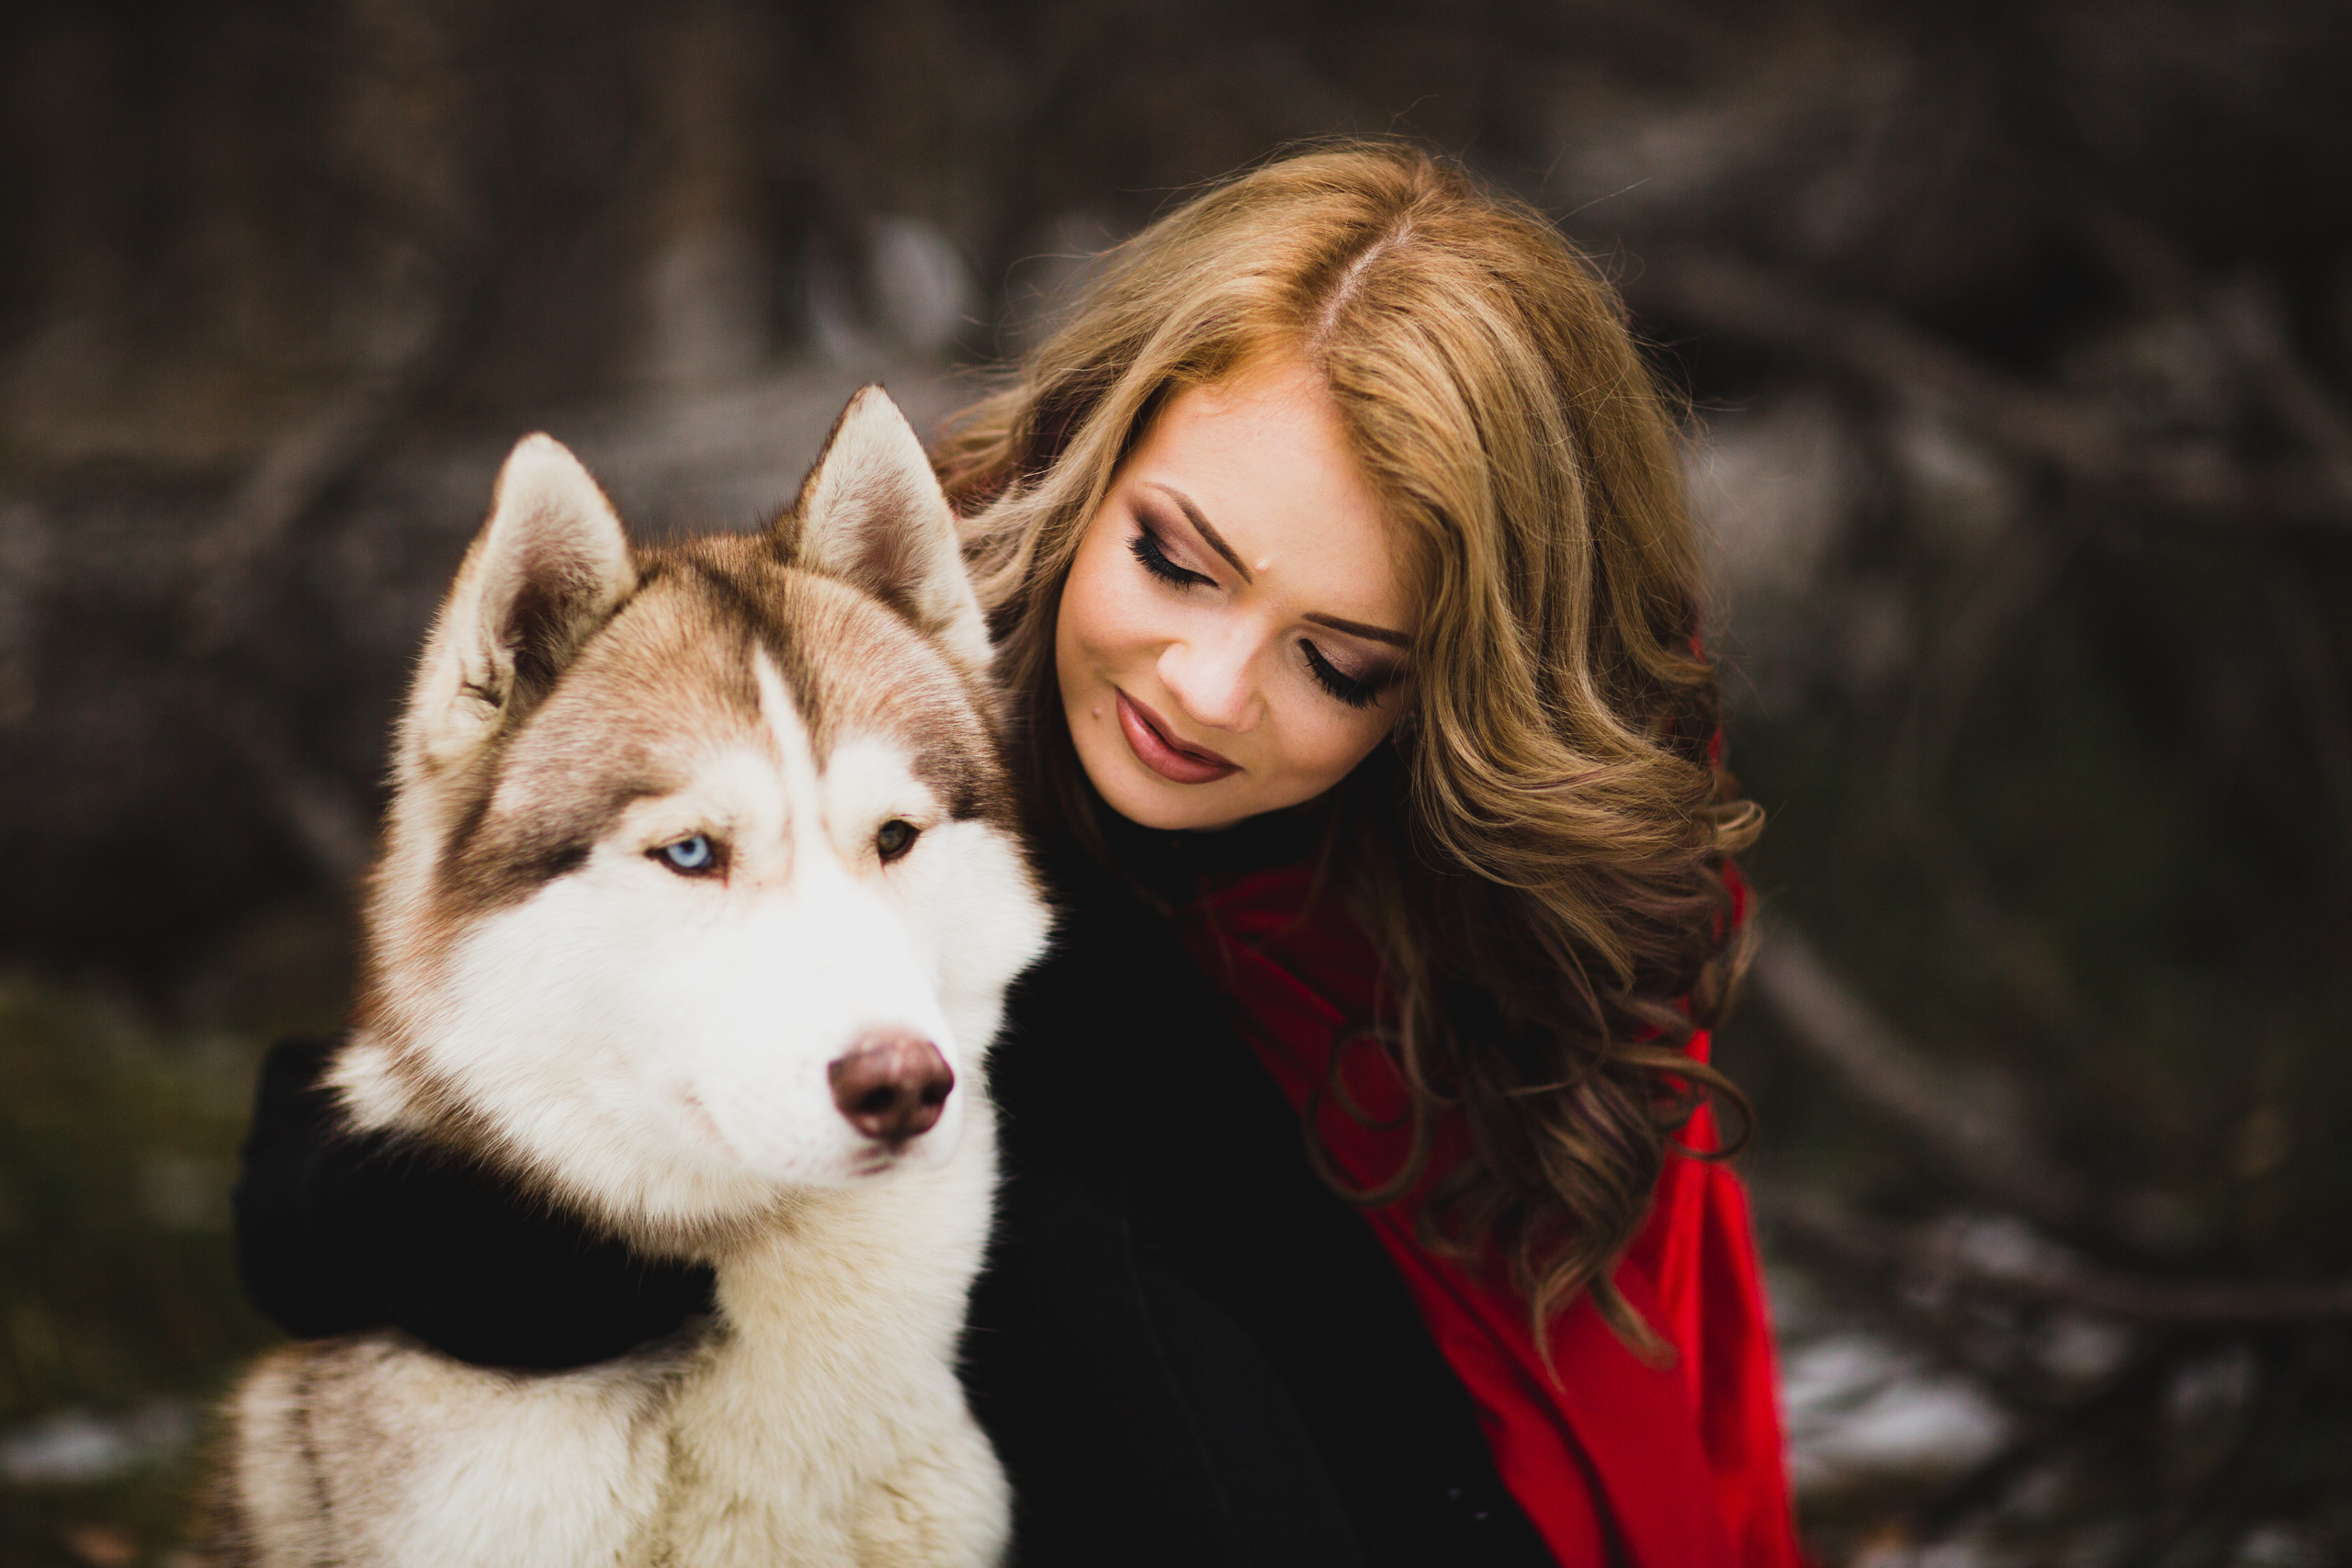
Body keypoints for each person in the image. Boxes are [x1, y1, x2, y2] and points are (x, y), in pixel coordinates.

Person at [233, 142, 1802, 1566]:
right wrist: (368, 1212)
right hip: (1087, 1415)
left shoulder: (1537, 832)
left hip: (1443, 1484)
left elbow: (1581, 1380)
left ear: (1455, 688)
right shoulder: (889, 632)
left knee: (1022, 1218)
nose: (1205, 687)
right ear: (1093, 453)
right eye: (1178, 560)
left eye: (1340, 663)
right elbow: (426, 1087)